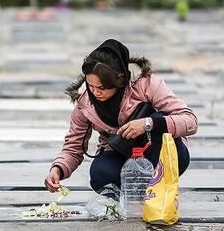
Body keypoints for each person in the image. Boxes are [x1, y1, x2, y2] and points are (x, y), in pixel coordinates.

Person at [44, 39, 197, 195]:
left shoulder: (147, 85)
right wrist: (58, 170)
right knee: (100, 174)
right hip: (120, 154)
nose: (96, 93)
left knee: (160, 118)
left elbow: (190, 121)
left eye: (102, 88)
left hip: (160, 152)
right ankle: (133, 193)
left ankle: (155, 188)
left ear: (120, 79)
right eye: (91, 85)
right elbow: (73, 147)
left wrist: (148, 123)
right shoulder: (85, 104)